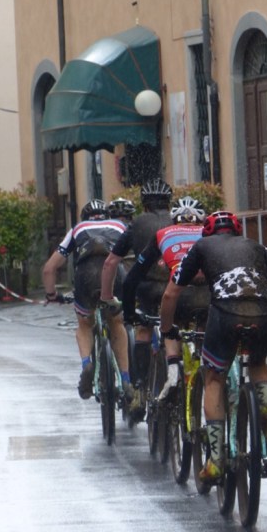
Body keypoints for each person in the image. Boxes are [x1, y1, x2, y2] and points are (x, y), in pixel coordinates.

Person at [159, 210, 267, 483]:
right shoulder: (258, 248)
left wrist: (167, 329)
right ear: (237, 232)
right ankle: (265, 406)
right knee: (258, 362)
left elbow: (170, 294)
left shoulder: (201, 247)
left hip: (225, 312)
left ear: (208, 233)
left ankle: (215, 460)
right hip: (264, 311)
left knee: (213, 377)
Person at [43, 198, 133, 400]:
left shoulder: (78, 229)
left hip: (86, 277)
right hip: (114, 276)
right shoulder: (119, 226)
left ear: (85, 217)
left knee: (84, 324)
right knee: (117, 323)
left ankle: (87, 364)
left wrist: (52, 295)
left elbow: (49, 268)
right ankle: (126, 380)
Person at [122, 196, 209, 401]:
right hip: (207, 297)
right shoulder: (210, 235)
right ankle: (208, 365)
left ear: (173, 219)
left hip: (176, 295)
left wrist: (129, 313)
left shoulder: (164, 234)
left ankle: (173, 369)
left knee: (170, 324)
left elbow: (132, 278)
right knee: (205, 324)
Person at [100, 178, 172, 418]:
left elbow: (111, 262)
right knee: (179, 329)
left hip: (147, 288)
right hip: (178, 288)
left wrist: (107, 296)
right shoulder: (177, 221)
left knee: (143, 330)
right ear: (168, 203)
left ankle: (140, 390)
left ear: (144, 204)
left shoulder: (136, 224)